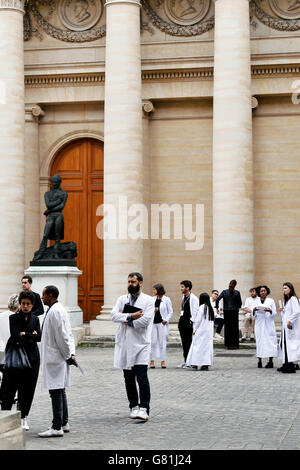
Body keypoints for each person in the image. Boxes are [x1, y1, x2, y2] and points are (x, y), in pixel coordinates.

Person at [110, 272, 155, 421]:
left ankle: (144, 408)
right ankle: (133, 406)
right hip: (125, 343)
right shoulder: (122, 299)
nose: (130, 284)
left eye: (133, 282)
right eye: (129, 281)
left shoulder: (148, 300)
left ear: (140, 283)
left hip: (141, 343)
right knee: (128, 377)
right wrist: (131, 316)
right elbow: (113, 315)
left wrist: (126, 320)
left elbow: (146, 320)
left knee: (142, 376)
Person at [38, 285, 76, 437]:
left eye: (44, 295)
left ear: (50, 295)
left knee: (56, 391)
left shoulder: (55, 311)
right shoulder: (55, 310)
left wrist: (68, 355)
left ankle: (56, 426)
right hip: (56, 356)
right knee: (60, 389)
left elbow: (63, 337)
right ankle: (64, 422)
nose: (42, 298)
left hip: (56, 357)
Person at [1, 291, 41, 431]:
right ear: (20, 304)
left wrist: (26, 334)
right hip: (15, 357)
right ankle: (5, 416)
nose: (25, 306)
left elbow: (39, 337)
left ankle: (24, 416)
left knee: (28, 389)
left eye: (28, 304)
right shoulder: (13, 318)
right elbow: (15, 335)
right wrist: (31, 335)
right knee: (9, 388)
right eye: (23, 303)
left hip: (32, 359)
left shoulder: (35, 319)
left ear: (32, 305)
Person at [185, 293, 215, 371]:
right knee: (206, 348)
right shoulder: (210, 308)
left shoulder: (202, 307)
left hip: (201, 330)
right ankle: (205, 364)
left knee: (196, 347)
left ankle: (194, 363)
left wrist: (194, 329)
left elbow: (198, 320)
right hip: (208, 331)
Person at [277, 282, 300, 374]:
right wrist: (283, 311)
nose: (284, 290)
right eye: (283, 288)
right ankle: (285, 364)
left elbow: (297, 312)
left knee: (288, 346)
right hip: (285, 327)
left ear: (290, 289)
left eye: (285, 288)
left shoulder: (293, 299)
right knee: (284, 345)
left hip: (289, 327)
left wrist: (290, 321)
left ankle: (289, 366)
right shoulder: (288, 301)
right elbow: (287, 314)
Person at [253, 286, 277, 369]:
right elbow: (254, 314)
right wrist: (254, 310)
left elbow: (274, 313)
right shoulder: (256, 301)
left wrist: (270, 311)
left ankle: (270, 361)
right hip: (259, 324)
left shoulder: (271, 301)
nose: (263, 292)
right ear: (259, 293)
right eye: (261, 291)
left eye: (264, 290)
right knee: (260, 342)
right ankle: (259, 361)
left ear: (267, 292)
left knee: (270, 341)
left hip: (268, 323)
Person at [150, 284, 173, 369]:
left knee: (162, 343)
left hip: (161, 323)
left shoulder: (166, 299)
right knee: (153, 342)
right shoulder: (152, 299)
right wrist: (153, 310)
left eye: (154, 290)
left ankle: (163, 361)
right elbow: (148, 310)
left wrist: (166, 320)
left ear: (159, 290)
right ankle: (152, 361)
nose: (153, 291)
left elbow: (170, 312)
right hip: (153, 323)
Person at [215, 280, 242, 350]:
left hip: (226, 311)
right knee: (234, 328)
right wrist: (237, 307)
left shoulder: (224, 292)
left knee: (228, 328)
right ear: (235, 285)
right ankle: (235, 345)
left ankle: (228, 345)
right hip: (234, 312)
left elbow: (217, 299)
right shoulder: (237, 292)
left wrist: (217, 308)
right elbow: (240, 303)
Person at [177, 280, 199, 367]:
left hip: (188, 323)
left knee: (189, 342)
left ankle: (191, 362)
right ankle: (186, 361)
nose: (181, 288)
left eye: (182, 287)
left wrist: (191, 322)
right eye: (181, 286)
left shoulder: (193, 298)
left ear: (187, 288)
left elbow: (195, 311)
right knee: (184, 343)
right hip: (182, 322)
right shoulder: (184, 297)